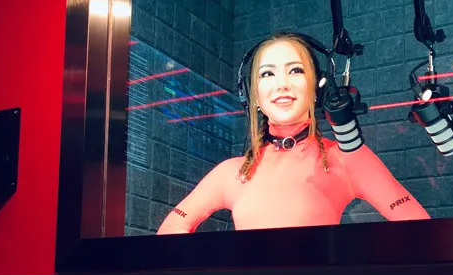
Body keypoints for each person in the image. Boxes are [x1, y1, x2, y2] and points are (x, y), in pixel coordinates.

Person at [157, 33, 430, 234]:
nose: (282, 84)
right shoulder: (231, 172)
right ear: (252, 95)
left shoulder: (348, 159)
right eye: (267, 74)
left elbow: (422, 233)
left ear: (317, 89)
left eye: (296, 71)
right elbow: (173, 226)